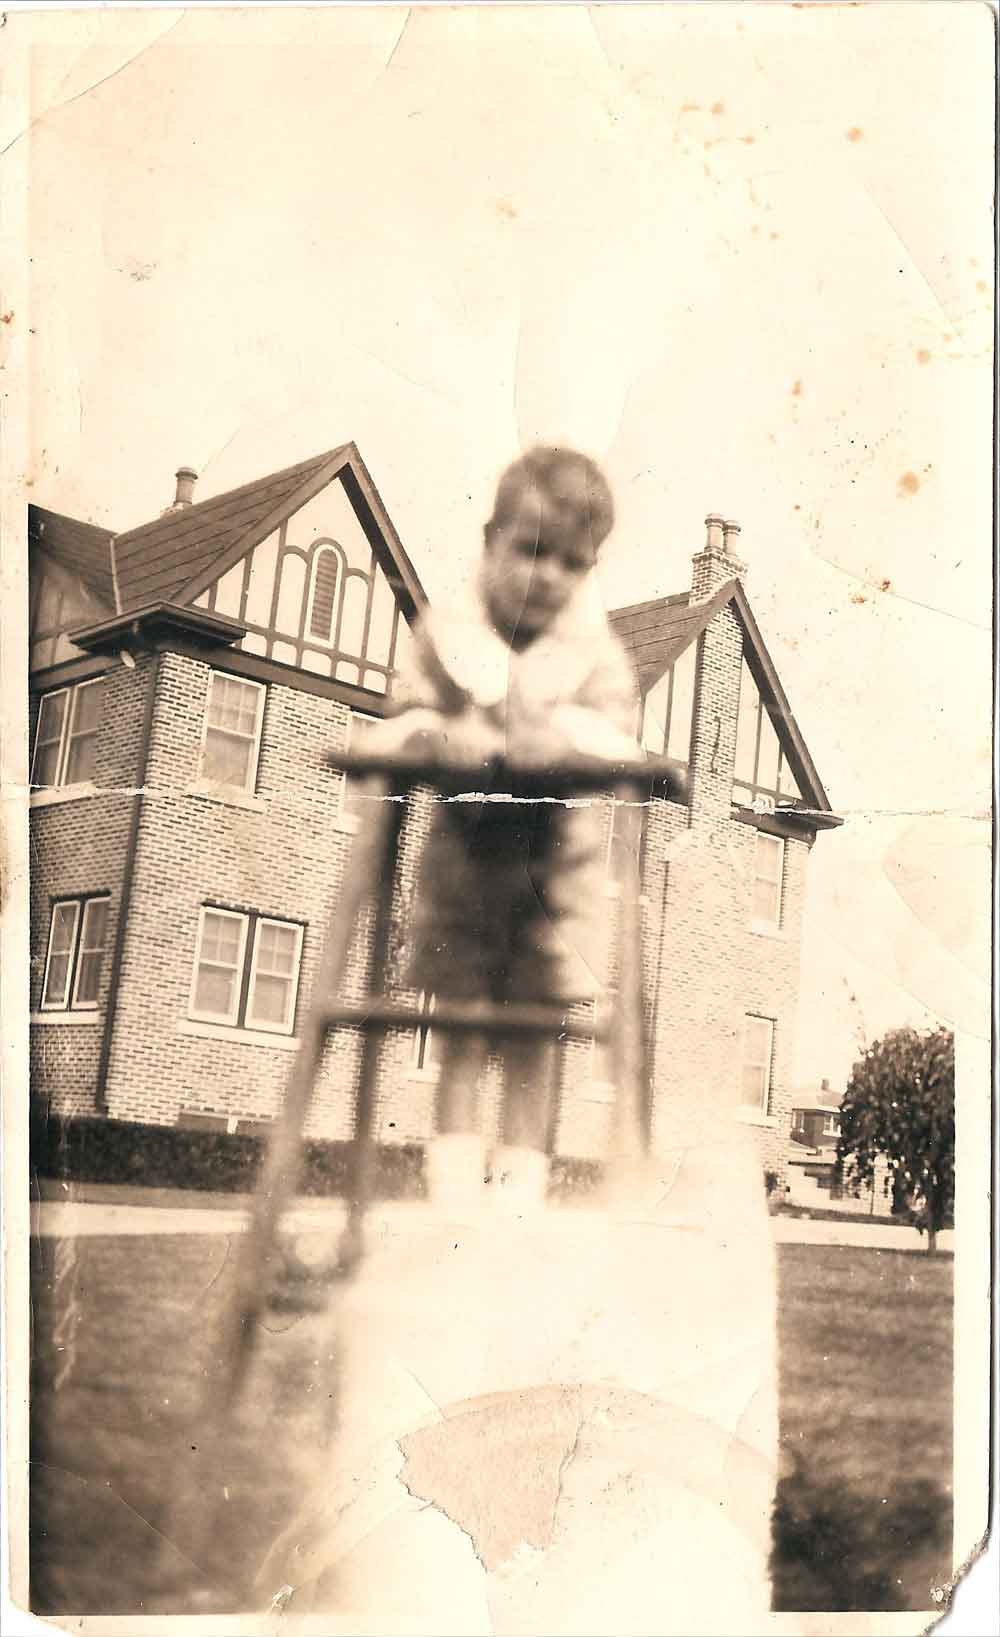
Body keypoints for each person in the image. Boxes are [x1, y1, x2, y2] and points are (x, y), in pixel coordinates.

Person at [375, 447, 640, 1213]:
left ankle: (518, 1193)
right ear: (490, 540)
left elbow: (620, 731)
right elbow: (406, 709)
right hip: (463, 862)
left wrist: (565, 740)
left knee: (533, 1031)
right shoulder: (447, 631)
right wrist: (437, 732)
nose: (547, 575)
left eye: (571, 562)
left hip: (557, 874)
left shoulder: (592, 653)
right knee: (459, 1021)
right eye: (530, 549)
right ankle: (453, 1198)